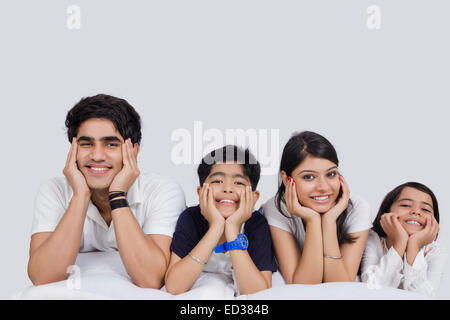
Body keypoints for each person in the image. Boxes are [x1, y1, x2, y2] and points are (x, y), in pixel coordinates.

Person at [28, 94, 186, 289]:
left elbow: (150, 279)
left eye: (111, 144)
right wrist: (80, 196)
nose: (97, 156)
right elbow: (42, 277)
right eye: (86, 144)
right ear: (73, 150)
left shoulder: (162, 191)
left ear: (134, 151)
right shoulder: (54, 190)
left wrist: (117, 196)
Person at [165, 145, 277, 295]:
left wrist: (232, 229)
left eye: (239, 183)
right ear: (201, 192)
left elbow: (258, 293)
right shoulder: (190, 218)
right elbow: (174, 286)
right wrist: (216, 226)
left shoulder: (257, 224)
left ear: (254, 197)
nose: (227, 189)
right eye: (217, 181)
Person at [263, 131, 372, 284]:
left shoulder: (358, 207)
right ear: (286, 179)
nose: (323, 187)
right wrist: (313, 221)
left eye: (331, 174)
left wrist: (329, 221)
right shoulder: (276, 208)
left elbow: (341, 284)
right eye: (309, 177)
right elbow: (303, 284)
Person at [361, 182, 447, 296]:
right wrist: (400, 242)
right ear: (387, 211)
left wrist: (414, 246)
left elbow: (424, 297)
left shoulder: (436, 252)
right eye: (406, 205)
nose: (416, 211)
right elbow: (371, 289)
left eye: (425, 209)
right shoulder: (372, 239)